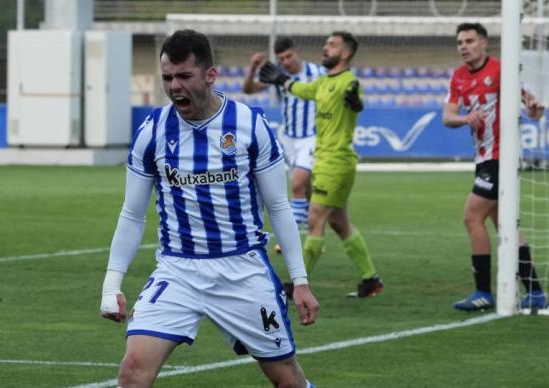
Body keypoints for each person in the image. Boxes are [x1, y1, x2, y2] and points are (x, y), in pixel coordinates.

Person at [99, 29, 319, 387]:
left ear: (210, 75)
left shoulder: (250, 126)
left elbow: (279, 207)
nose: (174, 87)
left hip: (242, 270)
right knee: (132, 371)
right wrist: (112, 285)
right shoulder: (152, 132)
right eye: (167, 78)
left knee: (287, 380)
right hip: (178, 269)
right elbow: (132, 214)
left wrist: (300, 281)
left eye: (184, 76)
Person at [259, 31, 384, 299]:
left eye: (332, 45)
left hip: (335, 161)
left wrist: (357, 103)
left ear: (346, 53)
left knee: (315, 220)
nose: (325, 48)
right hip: (326, 159)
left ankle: (295, 284)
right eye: (326, 44)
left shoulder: (349, 81)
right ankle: (370, 278)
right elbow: (302, 90)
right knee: (339, 223)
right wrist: (281, 79)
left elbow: (355, 100)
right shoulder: (324, 81)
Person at [443, 22, 549, 311]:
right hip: (483, 158)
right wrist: (466, 119)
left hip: (501, 156)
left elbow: (531, 104)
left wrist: (533, 108)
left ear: (483, 43)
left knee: (471, 216)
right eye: (459, 42)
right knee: (504, 223)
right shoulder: (459, 77)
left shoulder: (501, 70)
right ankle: (536, 291)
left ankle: (483, 292)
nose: (463, 46)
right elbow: (447, 116)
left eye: (469, 40)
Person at [243, 38, 326, 244]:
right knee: (305, 190)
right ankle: (315, 235)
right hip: (289, 138)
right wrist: (253, 67)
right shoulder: (277, 74)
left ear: (297, 51)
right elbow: (249, 89)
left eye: (289, 56)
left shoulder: (317, 72)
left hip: (312, 136)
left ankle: (291, 239)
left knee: (297, 184)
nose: (286, 61)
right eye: (281, 58)